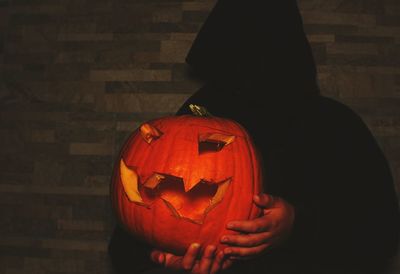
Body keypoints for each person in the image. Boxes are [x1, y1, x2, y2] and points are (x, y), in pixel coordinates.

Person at [108, 0, 400, 273]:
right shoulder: (194, 118)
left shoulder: (337, 127)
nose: (250, 74)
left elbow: (379, 232)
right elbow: (131, 236)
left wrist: (297, 227)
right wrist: (165, 259)